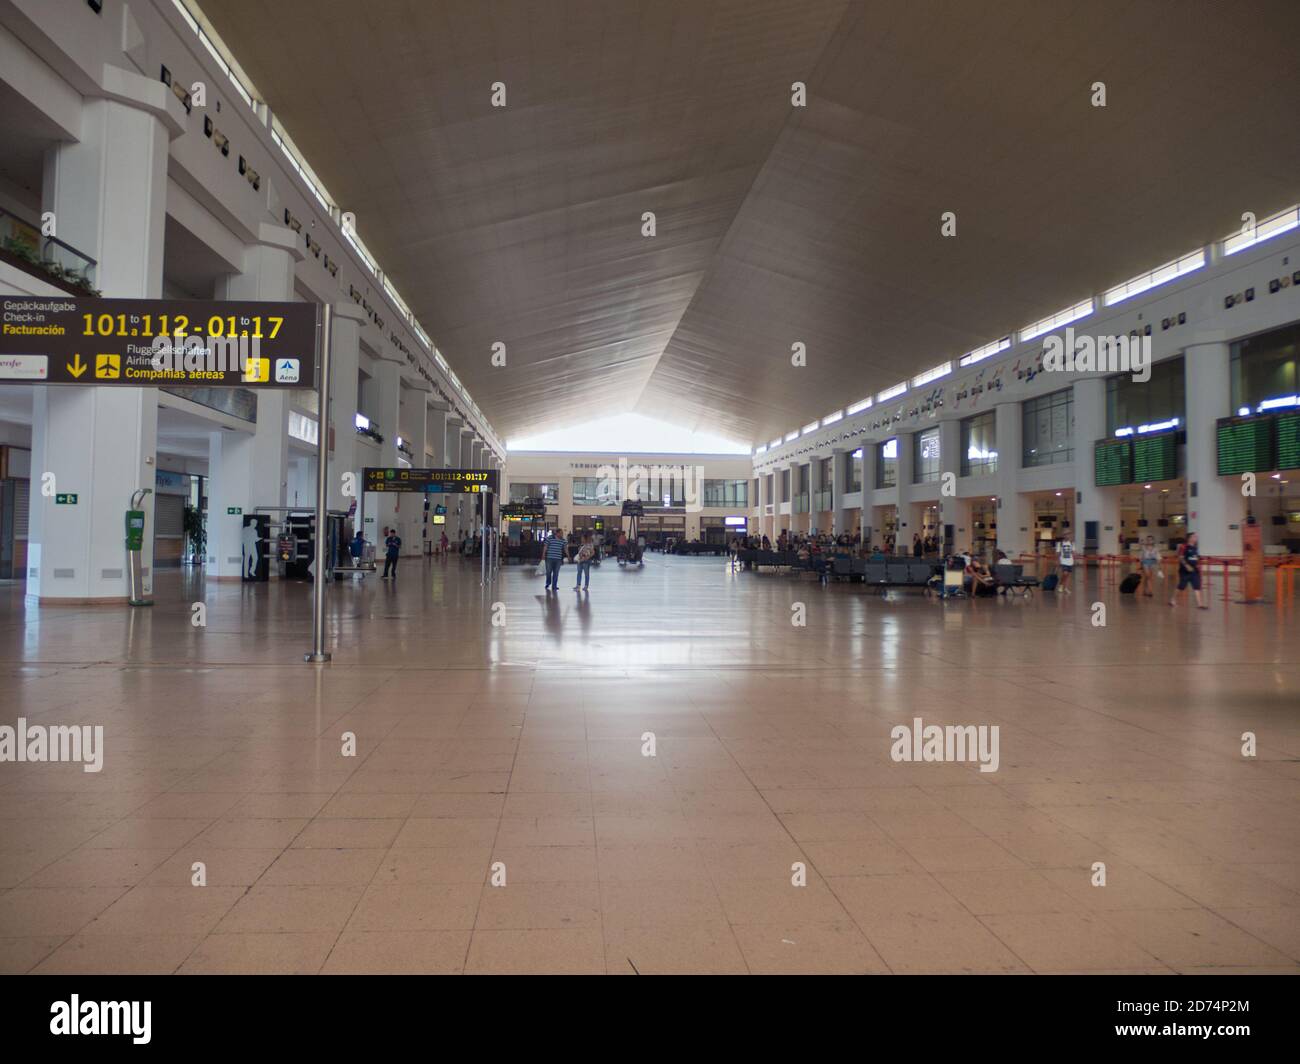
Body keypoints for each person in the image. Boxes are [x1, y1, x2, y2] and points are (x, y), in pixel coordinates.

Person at [1169, 531, 1207, 609]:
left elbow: (1196, 558)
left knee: (1197, 586)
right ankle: (1173, 599)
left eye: (1196, 536)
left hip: (1194, 571)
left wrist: (1198, 563)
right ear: (1189, 538)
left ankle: (1200, 604)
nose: (1196, 538)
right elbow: (1180, 557)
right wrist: (1187, 566)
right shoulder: (1184, 546)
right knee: (1182, 586)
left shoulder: (1195, 548)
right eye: (1194, 536)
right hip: (1184, 571)